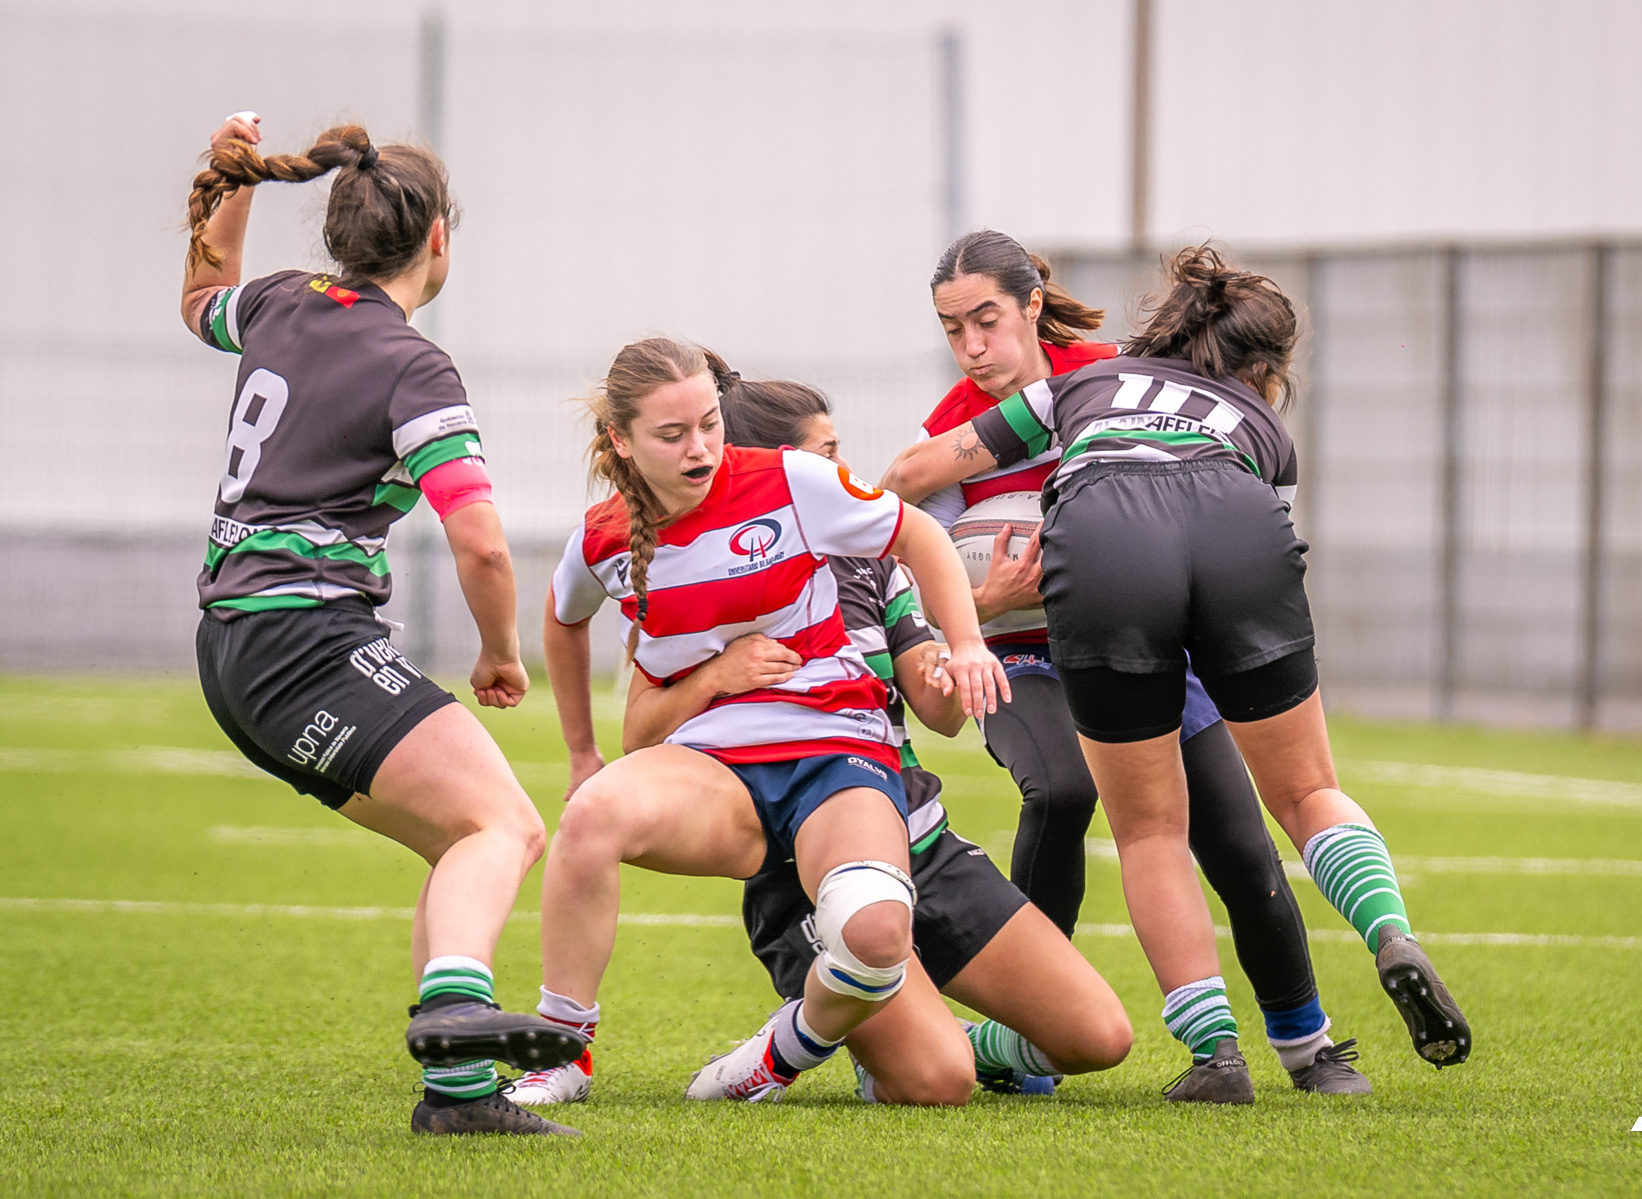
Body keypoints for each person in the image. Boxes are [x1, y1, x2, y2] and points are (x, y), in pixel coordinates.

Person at [882, 242, 1473, 1088]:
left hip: (1114, 588)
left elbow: (905, 483)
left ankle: (1240, 1049)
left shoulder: (1092, 377)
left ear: (1032, 304)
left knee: (1186, 833)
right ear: (1264, 367)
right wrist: (985, 600)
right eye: (954, 329)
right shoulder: (1251, 419)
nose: (972, 346)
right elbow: (1258, 526)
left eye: (986, 320)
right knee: (1275, 791)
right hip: (1108, 612)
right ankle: (1386, 937)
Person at [513, 378, 1132, 1106]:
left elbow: (938, 711)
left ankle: (895, 1031)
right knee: (935, 1081)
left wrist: (962, 643)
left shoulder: (875, 564)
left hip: (908, 823)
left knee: (1099, 1037)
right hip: (792, 837)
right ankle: (832, 1039)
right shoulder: (671, 557)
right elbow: (639, 728)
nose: (848, 472)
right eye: (828, 453)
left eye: (706, 426)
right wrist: (711, 678)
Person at [179, 113, 586, 1136]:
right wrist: (500, 652)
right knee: (505, 825)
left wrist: (233, 180)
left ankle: (460, 1091)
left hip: (231, 647)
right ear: (438, 238)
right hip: (306, 642)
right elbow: (480, 543)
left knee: (463, 839)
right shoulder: (414, 367)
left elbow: (197, 298)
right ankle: (456, 1020)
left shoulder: (277, 302)